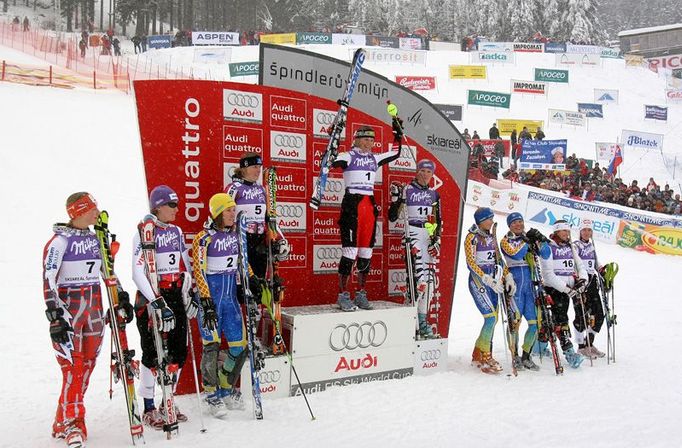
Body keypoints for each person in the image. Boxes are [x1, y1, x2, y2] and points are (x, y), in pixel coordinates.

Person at [44, 193, 131, 447]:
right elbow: (48, 278)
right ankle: (74, 425)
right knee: (73, 368)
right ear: (78, 212)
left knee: (87, 367)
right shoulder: (59, 242)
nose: (97, 213)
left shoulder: (96, 240)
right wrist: (54, 316)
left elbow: (108, 273)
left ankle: (63, 418)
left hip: (93, 309)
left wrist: (122, 297)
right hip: (69, 311)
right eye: (93, 209)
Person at [132, 185, 197, 428]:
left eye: (177, 204)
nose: (176, 209)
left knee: (179, 351)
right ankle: (148, 407)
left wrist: (192, 292)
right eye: (171, 205)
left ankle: (167, 400)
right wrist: (155, 301)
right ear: (157, 207)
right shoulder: (144, 232)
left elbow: (185, 262)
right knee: (152, 354)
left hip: (175, 294)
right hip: (151, 296)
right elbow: (137, 271)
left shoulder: (177, 231)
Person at [333, 125, 402, 311]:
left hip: (368, 206)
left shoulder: (375, 158)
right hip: (352, 205)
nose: (368, 143)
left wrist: (397, 134)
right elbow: (332, 161)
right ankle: (343, 295)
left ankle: (361, 293)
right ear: (356, 139)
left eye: (371, 140)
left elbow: (395, 153)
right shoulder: (348, 155)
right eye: (365, 139)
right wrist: (332, 140)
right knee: (349, 252)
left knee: (366, 252)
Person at [192, 193, 246, 416]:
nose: (233, 214)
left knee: (239, 346)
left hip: (230, 300)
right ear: (217, 214)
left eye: (234, 210)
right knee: (211, 347)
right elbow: (199, 271)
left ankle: (225, 386)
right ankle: (211, 393)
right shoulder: (203, 238)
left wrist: (254, 280)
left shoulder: (236, 237)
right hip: (211, 300)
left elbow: (244, 264)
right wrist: (206, 301)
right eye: (228, 210)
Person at [388, 159, 442, 338]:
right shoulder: (407, 189)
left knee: (429, 283)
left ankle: (422, 322)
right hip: (411, 233)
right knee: (418, 282)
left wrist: (436, 239)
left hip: (427, 236)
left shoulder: (434, 195)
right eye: (423, 170)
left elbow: (437, 220)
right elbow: (392, 217)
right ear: (417, 171)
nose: (425, 174)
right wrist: (397, 199)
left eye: (429, 171)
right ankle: (411, 322)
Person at [465, 207, 516, 374]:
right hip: (479, 281)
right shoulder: (472, 237)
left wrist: (507, 276)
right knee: (490, 318)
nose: (491, 221)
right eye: (488, 218)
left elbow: (499, 259)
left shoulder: (492, 236)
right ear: (480, 221)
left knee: (493, 319)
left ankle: (479, 352)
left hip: (494, 281)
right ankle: (486, 357)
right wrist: (486, 278)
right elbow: (471, 263)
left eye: (492, 218)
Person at [500, 213, 550, 371]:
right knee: (514, 323)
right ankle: (514, 356)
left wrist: (541, 240)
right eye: (514, 222)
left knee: (535, 323)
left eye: (520, 221)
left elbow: (546, 254)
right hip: (515, 285)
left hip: (531, 285)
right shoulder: (505, 240)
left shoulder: (529, 238)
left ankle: (526, 356)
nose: (518, 224)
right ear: (509, 225)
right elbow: (516, 253)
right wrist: (526, 240)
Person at [538, 220, 587, 368]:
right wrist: (566, 288)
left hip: (568, 291)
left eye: (568, 231)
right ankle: (570, 353)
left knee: (552, 321)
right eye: (563, 231)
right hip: (554, 289)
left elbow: (580, 266)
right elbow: (547, 275)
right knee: (561, 321)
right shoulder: (548, 247)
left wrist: (583, 280)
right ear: (557, 232)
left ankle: (538, 347)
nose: (566, 234)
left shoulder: (570, 246)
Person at [572, 219, 606, 359]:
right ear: (579, 231)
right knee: (582, 316)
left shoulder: (592, 246)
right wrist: (577, 279)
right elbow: (574, 264)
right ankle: (581, 347)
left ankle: (589, 343)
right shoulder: (575, 246)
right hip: (580, 283)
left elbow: (595, 263)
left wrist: (603, 270)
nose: (587, 233)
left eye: (589, 230)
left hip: (592, 284)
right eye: (584, 230)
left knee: (599, 315)